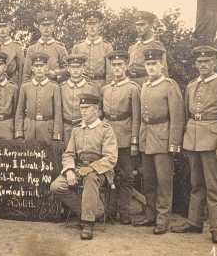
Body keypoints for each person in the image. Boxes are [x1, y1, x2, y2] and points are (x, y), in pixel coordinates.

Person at [171, 45, 217, 244]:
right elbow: (184, 114)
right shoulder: (191, 86)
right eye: (199, 62)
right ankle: (194, 221)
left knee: (214, 186)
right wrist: (182, 140)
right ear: (195, 64)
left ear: (214, 63)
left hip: (212, 140)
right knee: (196, 184)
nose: (203, 65)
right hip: (193, 140)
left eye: (207, 61)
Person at [50, 93, 118, 240]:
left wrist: (92, 168)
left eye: (87, 108)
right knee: (56, 186)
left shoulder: (106, 129)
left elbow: (110, 158)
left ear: (96, 110)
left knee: (90, 179)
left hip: (100, 171)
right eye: (81, 108)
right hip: (78, 168)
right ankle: (93, 212)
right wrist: (69, 171)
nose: (83, 111)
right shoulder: (76, 130)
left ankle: (88, 223)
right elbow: (68, 154)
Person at [137, 48, 185, 234]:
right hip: (147, 137)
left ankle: (163, 219)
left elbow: (177, 116)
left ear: (161, 65)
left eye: (154, 64)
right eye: (148, 64)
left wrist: (174, 142)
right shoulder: (145, 86)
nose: (150, 68)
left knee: (163, 180)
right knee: (148, 179)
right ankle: (150, 215)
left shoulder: (169, 85)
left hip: (163, 136)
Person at [100, 50, 141, 224]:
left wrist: (134, 141)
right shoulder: (105, 89)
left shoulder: (133, 88)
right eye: (114, 65)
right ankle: (109, 211)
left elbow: (136, 117)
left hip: (125, 136)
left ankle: (124, 211)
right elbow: (101, 114)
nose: (117, 68)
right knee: (109, 174)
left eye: (120, 65)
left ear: (125, 66)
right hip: (108, 136)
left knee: (126, 176)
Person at [15, 52, 63, 143]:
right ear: (32, 68)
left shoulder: (54, 87)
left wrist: (57, 134)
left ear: (46, 68)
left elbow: (58, 113)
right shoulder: (25, 86)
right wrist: (19, 132)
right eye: (36, 66)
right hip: (29, 128)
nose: (39, 69)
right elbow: (19, 111)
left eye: (42, 66)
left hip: (47, 129)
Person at [60, 54, 100, 145]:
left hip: (84, 127)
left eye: (78, 67)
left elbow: (97, 110)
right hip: (66, 128)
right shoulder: (62, 87)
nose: (75, 70)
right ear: (68, 69)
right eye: (72, 67)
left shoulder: (91, 87)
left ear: (83, 68)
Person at [71, 10, 113, 88]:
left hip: (100, 85)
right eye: (89, 24)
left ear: (100, 25)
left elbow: (110, 73)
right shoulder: (77, 47)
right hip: (82, 85)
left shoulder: (106, 47)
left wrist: (107, 89)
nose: (92, 27)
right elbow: (72, 69)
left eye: (95, 23)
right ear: (85, 26)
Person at [22, 10, 68, 83]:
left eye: (49, 25)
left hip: (54, 85)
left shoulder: (60, 48)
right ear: (39, 27)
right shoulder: (32, 48)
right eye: (43, 25)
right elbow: (26, 74)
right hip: (35, 87)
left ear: (53, 27)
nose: (46, 28)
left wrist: (56, 73)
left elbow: (67, 69)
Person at [127, 11, 167, 82]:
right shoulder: (132, 47)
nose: (139, 28)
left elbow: (163, 71)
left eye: (142, 24)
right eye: (137, 25)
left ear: (151, 25)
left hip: (148, 85)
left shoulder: (156, 46)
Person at [0, 14, 24, 84]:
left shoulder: (16, 47)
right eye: (0, 27)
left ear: (10, 27)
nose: (2, 30)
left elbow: (21, 69)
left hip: (11, 83)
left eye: (5, 26)